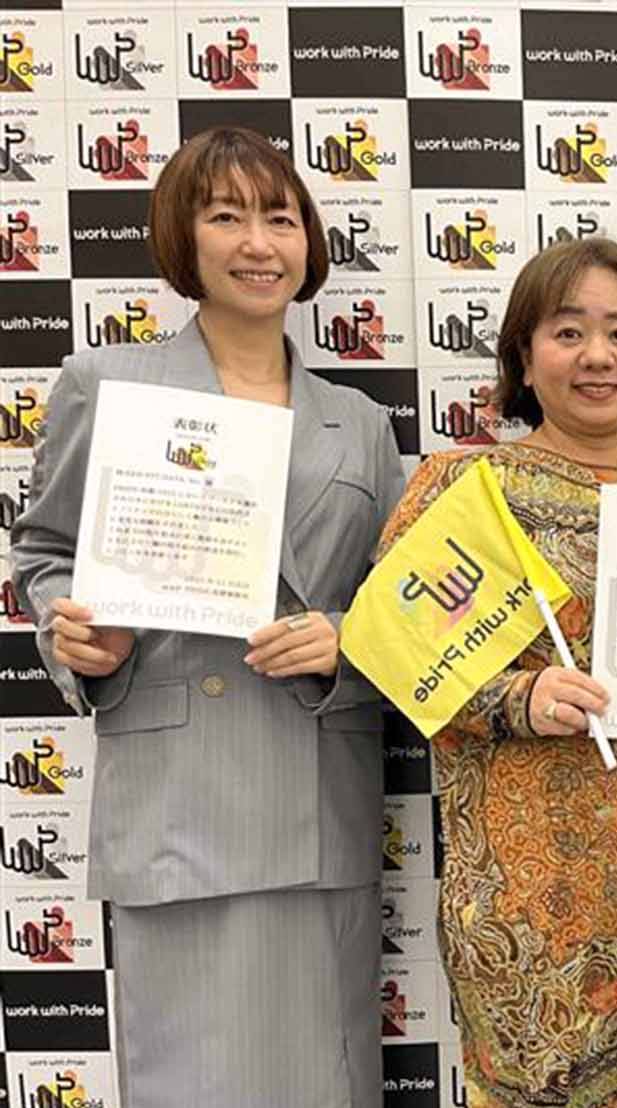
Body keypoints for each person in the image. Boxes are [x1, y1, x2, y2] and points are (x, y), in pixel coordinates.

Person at [10, 126, 404, 1106]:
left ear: (310, 242)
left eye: (280, 217)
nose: (258, 243)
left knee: (326, 1079)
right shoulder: (107, 383)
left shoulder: (359, 422)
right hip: (176, 804)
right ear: (183, 240)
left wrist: (347, 642)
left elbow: (400, 604)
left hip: (315, 798)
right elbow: (45, 552)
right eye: (226, 216)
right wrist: (77, 636)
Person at [375, 237, 617, 1107]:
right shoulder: (467, 488)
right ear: (523, 355)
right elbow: (395, 652)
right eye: (568, 332)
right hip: (526, 907)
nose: (598, 356)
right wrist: (519, 696)